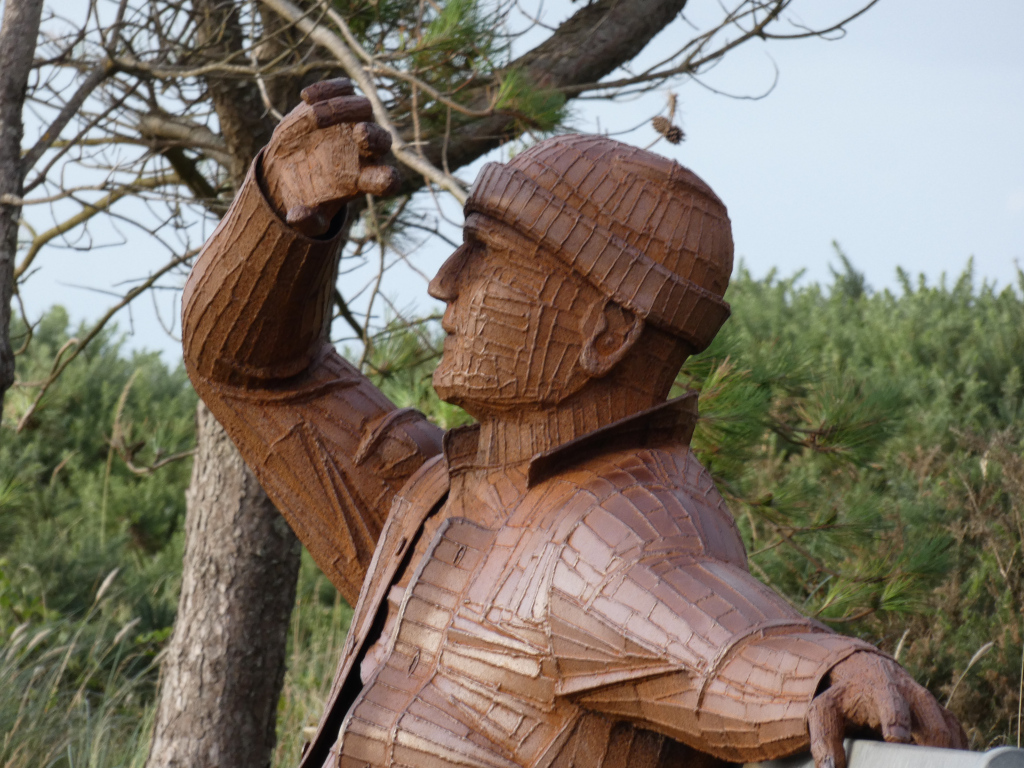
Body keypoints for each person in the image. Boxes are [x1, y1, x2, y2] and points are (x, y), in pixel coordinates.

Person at [182, 79, 965, 768]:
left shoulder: (607, 536)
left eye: (484, 256)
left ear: (606, 333)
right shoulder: (436, 499)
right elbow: (258, 376)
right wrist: (285, 217)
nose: (443, 284)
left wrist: (836, 675)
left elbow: (721, 644)